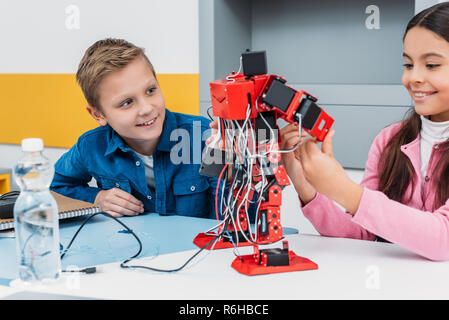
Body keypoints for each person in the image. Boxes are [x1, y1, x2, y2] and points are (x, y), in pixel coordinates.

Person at [280, 2, 449, 261]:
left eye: (432, 65)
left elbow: (442, 240)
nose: (413, 78)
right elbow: (363, 231)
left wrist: (344, 190)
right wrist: (307, 186)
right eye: (408, 64)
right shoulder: (389, 141)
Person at [50, 38, 223, 219]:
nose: (147, 108)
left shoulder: (203, 136)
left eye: (150, 90)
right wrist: (97, 198)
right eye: (127, 102)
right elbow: (56, 188)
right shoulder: (91, 146)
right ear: (98, 115)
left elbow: (239, 218)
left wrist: (232, 166)